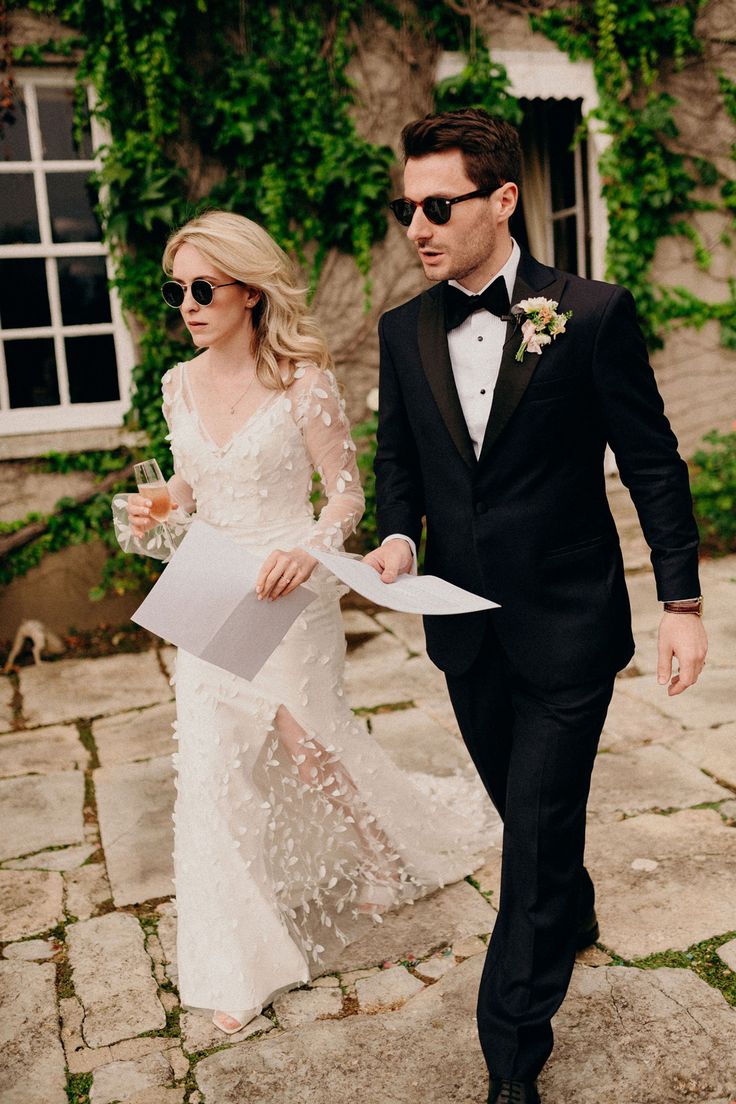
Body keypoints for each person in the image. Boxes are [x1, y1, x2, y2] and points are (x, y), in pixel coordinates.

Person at [364, 109, 708, 1104]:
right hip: (461, 630)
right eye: (405, 209)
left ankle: (512, 1050)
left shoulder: (588, 314)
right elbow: (399, 462)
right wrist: (395, 533)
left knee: (530, 838)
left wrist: (679, 601)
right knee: (535, 815)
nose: (417, 226)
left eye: (438, 205)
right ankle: (576, 906)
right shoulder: (400, 330)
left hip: (567, 624)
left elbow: (651, 464)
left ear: (501, 199)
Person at [112, 210, 493, 1037]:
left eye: (203, 288)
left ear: (249, 290)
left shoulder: (303, 383)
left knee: (307, 744)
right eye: (175, 289)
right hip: (211, 584)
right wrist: (160, 506)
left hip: (291, 586)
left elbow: (347, 498)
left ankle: (383, 850)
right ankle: (237, 963)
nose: (187, 303)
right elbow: (189, 485)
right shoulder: (176, 383)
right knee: (211, 767)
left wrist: (310, 551)